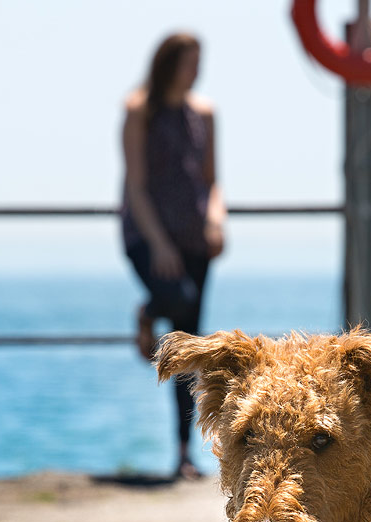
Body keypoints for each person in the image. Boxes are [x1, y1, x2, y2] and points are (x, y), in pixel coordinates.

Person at [121, 32, 226, 480]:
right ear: (168, 63)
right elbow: (136, 185)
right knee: (176, 299)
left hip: (194, 239)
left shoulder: (205, 113)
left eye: (199, 61)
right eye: (189, 61)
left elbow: (212, 181)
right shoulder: (139, 110)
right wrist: (160, 243)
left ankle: (184, 454)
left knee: (188, 348)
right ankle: (147, 312)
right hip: (148, 235)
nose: (196, 70)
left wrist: (216, 221)